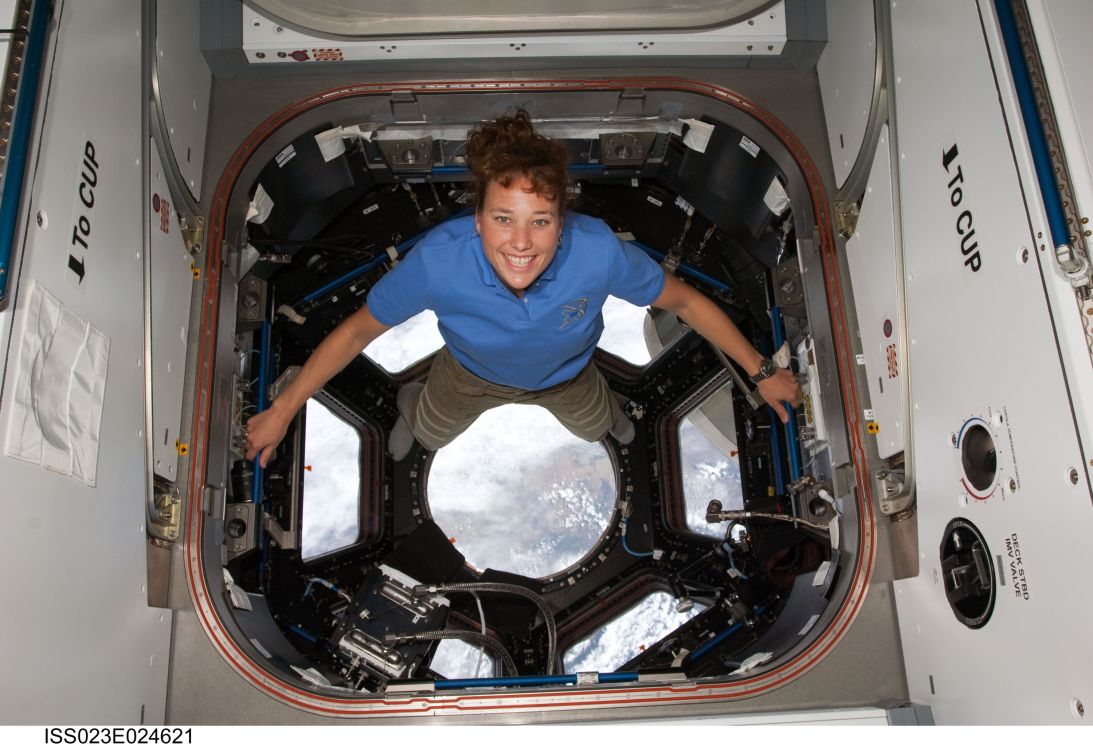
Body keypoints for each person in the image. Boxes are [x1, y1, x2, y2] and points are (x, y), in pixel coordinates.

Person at [245, 111, 799, 467]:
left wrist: (762, 372)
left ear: (562, 221)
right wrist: (285, 408)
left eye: (540, 221)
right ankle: (411, 405)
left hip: (568, 376)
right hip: (468, 375)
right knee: (431, 434)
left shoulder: (597, 250)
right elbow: (356, 332)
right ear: (478, 219)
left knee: (596, 427)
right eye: (503, 218)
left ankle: (607, 413)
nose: (521, 243)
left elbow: (685, 302)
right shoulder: (437, 262)